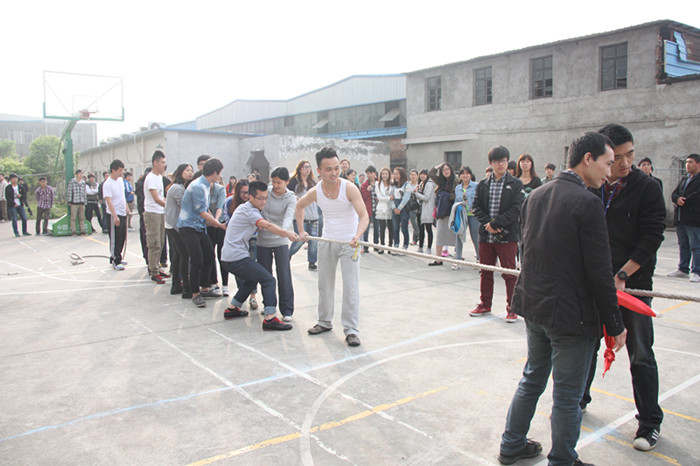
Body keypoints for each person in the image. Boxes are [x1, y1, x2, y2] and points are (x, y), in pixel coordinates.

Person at [498, 131, 626, 466]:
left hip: (535, 308)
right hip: (570, 317)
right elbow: (601, 273)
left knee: (532, 378)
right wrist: (615, 324)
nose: (610, 172)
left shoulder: (537, 195)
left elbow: (529, 253)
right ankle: (563, 460)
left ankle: (511, 444)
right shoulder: (587, 202)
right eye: (607, 163)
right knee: (568, 396)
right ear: (588, 159)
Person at [581, 123, 666, 452]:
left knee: (641, 354)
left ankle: (649, 422)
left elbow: (652, 236)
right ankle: (577, 400)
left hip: (633, 286)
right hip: (595, 283)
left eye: (630, 154)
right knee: (587, 346)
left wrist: (623, 274)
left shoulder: (647, 188)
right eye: (618, 157)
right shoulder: (592, 186)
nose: (626, 163)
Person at [296, 147, 370, 347]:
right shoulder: (316, 191)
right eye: (328, 169)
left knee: (350, 287)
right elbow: (299, 206)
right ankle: (324, 321)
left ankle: (351, 330)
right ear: (319, 170)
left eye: (337, 168)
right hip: (327, 241)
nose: (334, 173)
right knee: (324, 285)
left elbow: (364, 216)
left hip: (349, 244)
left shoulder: (349, 188)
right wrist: (301, 231)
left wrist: (357, 236)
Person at [220, 180, 297, 330]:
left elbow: (263, 225)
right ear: (251, 197)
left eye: (265, 198)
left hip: (229, 257)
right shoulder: (249, 211)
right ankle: (270, 318)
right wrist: (286, 233)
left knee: (252, 279)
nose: (263, 202)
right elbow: (267, 225)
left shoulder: (246, 208)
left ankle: (232, 309)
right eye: (260, 198)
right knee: (268, 280)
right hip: (236, 258)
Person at [471, 146, 524, 321]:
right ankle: (485, 304)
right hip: (486, 236)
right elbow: (475, 207)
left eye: (503, 161)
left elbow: (516, 209)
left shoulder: (515, 184)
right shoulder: (483, 184)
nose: (500, 164)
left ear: (508, 162)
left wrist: (496, 224)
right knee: (485, 272)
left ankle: (512, 307)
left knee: (509, 273)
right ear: (491, 163)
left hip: (507, 236)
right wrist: (488, 224)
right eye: (496, 161)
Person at [177, 158, 226, 307]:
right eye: (220, 172)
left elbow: (206, 209)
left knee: (209, 255)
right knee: (197, 258)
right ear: (215, 172)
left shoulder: (206, 185)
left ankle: (205, 287)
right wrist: (218, 224)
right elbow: (201, 211)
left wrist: (214, 220)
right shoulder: (198, 186)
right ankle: (195, 293)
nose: (220, 176)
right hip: (188, 227)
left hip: (199, 227)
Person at [256, 167, 297, 321]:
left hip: (281, 239)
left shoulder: (290, 198)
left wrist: (283, 232)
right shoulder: (266, 192)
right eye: (273, 182)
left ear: (287, 182)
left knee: (284, 274)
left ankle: (287, 310)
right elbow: (257, 209)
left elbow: (288, 217)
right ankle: (269, 305)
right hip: (263, 239)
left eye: (279, 182)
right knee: (266, 275)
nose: (276, 185)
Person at [223, 179, 260, 307]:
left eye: (248, 192)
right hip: (236, 242)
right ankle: (241, 294)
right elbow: (228, 222)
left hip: (252, 239)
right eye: (242, 192)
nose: (245, 195)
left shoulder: (255, 203)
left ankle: (253, 296)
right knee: (239, 270)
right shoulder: (229, 202)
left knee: (252, 268)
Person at [669, 153, 700, 282]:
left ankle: (696, 271)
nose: (687, 165)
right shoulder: (684, 179)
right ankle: (683, 268)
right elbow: (674, 193)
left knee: (696, 246)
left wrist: (684, 201)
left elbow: (697, 195)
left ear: (698, 164)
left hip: (694, 219)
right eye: (686, 162)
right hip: (681, 217)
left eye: (690, 162)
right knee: (683, 245)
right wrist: (677, 199)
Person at [164, 164, 194, 297]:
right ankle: (185, 287)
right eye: (187, 170)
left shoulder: (180, 187)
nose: (190, 173)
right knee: (184, 255)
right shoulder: (177, 188)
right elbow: (184, 206)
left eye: (191, 170)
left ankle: (176, 285)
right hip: (174, 226)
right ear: (180, 172)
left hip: (173, 225)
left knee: (178, 255)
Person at [144, 150, 170, 284]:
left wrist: (168, 203)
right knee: (154, 243)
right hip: (152, 213)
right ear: (155, 163)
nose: (164, 165)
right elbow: (156, 198)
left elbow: (162, 197)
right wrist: (169, 206)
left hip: (160, 213)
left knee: (160, 243)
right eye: (162, 163)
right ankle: (153, 271)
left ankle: (157, 267)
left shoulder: (159, 177)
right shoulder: (150, 178)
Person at [288, 159, 319, 269]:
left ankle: (312, 262)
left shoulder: (313, 182)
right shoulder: (293, 182)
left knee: (313, 241)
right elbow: (287, 194)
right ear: (300, 169)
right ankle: (288, 254)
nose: (307, 169)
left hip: (314, 216)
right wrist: (294, 197)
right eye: (305, 167)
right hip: (300, 217)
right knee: (300, 240)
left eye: (309, 167)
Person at [427, 162, 457, 266]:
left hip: (452, 212)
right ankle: (438, 259)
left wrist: (448, 196)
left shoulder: (456, 180)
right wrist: (441, 165)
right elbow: (431, 173)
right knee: (439, 234)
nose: (446, 171)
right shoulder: (441, 181)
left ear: (451, 170)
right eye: (444, 170)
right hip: (441, 212)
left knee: (456, 236)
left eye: (448, 169)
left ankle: (458, 258)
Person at [102, 160, 130, 271]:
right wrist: (115, 216)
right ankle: (115, 259)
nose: (121, 173)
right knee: (115, 238)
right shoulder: (107, 184)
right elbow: (109, 201)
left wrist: (126, 207)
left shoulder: (120, 181)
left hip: (122, 212)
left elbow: (122, 196)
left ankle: (118, 256)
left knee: (122, 237)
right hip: (113, 214)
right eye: (119, 171)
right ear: (113, 170)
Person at [453, 166, 479, 266]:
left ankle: (479, 259)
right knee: (459, 236)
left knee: (475, 237)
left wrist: (476, 209)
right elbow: (456, 202)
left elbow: (479, 200)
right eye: (463, 174)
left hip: (473, 215)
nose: (465, 175)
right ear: (460, 176)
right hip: (461, 215)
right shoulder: (458, 188)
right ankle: (458, 259)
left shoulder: (476, 186)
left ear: (470, 175)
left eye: (467, 173)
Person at [206, 174, 227, 294]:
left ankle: (225, 285)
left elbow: (220, 206)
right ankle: (213, 282)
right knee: (209, 255)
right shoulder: (201, 188)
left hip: (220, 224)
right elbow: (204, 208)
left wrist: (216, 221)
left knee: (222, 255)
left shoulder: (220, 189)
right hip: (208, 225)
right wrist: (212, 221)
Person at [414, 169, 436, 255]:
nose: (422, 176)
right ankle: (420, 247)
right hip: (420, 210)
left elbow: (426, 197)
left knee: (428, 229)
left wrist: (416, 193)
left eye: (424, 174)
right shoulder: (421, 184)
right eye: (421, 174)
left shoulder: (429, 184)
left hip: (427, 210)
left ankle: (429, 248)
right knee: (421, 229)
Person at [391, 167, 412, 251]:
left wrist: (399, 208)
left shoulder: (407, 185)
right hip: (394, 208)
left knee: (404, 228)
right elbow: (391, 197)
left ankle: (405, 245)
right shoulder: (393, 185)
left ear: (402, 175)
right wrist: (394, 208)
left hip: (404, 209)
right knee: (395, 228)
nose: (395, 176)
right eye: (394, 174)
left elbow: (406, 198)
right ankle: (396, 245)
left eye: (397, 174)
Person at [360, 165, 379, 254]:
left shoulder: (379, 183)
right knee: (366, 229)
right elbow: (362, 197)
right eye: (367, 173)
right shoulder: (364, 185)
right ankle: (366, 246)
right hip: (368, 209)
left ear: (375, 173)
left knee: (377, 228)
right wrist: (367, 191)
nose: (369, 175)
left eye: (370, 173)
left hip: (378, 209)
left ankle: (376, 245)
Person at [374, 167, 394, 253]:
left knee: (391, 228)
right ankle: (381, 246)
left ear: (389, 175)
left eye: (386, 174)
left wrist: (387, 198)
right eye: (383, 174)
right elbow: (379, 197)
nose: (384, 175)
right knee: (382, 228)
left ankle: (390, 246)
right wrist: (389, 198)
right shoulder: (377, 184)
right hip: (381, 208)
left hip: (390, 208)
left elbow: (393, 196)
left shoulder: (392, 184)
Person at [67, 169, 87, 236]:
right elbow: (69, 191)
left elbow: (84, 192)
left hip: (82, 202)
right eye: (79, 173)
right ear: (76, 174)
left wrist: (85, 201)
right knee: (73, 217)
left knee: (82, 217)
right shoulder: (72, 181)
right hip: (74, 202)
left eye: (82, 174)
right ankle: (73, 231)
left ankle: (82, 230)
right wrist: (69, 201)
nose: (81, 175)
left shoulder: (83, 182)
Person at [408, 169, 421, 246]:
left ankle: (415, 240)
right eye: (412, 175)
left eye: (414, 175)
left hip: (419, 206)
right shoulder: (408, 185)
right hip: (411, 206)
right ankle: (419, 234)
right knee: (413, 222)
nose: (413, 176)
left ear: (417, 176)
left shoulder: (419, 185)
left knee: (418, 222)